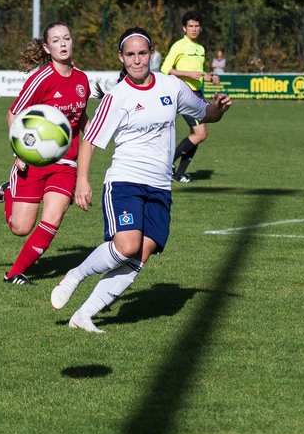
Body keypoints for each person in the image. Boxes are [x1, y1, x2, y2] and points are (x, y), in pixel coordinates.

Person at [49, 27, 232, 332]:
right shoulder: (117, 97)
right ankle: (77, 274)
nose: (137, 61)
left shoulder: (171, 87)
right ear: (122, 58)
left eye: (142, 54)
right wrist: (82, 181)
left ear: (151, 54)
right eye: (130, 55)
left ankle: (83, 316)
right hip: (125, 181)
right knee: (126, 245)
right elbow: (89, 140)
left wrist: (219, 109)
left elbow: (204, 114)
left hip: (160, 186)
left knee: (142, 253)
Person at [0, 23, 91, 286]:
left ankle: (14, 273)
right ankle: (7, 192)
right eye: (56, 40)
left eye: (66, 38)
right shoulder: (40, 79)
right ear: (46, 47)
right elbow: (13, 113)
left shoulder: (82, 79)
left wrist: (96, 131)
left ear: (72, 42)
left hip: (65, 162)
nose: (62, 44)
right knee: (20, 228)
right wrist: (20, 151)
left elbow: (80, 117)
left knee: (52, 219)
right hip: (35, 161)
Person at [160, 10, 219, 182]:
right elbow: (165, 69)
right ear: (184, 28)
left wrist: (208, 77)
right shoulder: (179, 46)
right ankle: (168, 164)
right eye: (190, 26)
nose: (194, 29)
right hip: (184, 94)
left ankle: (179, 174)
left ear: (201, 29)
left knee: (196, 135)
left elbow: (198, 74)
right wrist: (188, 74)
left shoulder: (200, 48)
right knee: (200, 134)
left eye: (197, 26)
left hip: (197, 94)